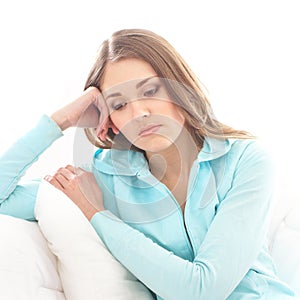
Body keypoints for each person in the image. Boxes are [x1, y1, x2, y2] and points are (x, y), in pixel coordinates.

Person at [0, 28, 297, 299]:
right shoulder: (103, 180)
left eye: (151, 91)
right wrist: (61, 120)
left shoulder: (245, 160)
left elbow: (203, 289)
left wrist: (96, 213)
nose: (139, 112)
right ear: (110, 120)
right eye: (118, 104)